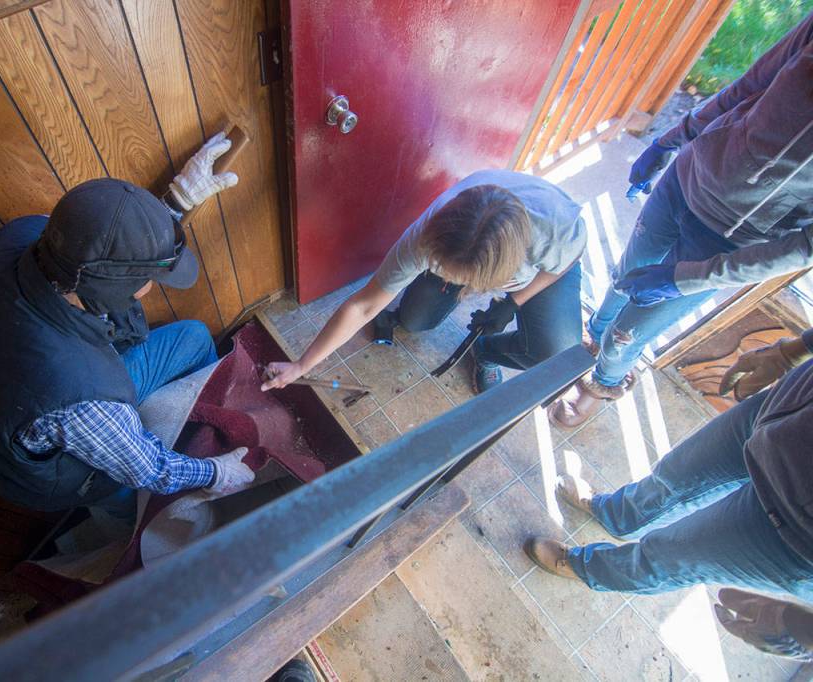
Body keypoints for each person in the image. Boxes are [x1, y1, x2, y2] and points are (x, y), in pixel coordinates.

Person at [0, 133, 253, 518]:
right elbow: (152, 470)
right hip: (57, 467)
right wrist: (216, 471)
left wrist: (176, 203)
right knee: (129, 497)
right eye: (147, 282)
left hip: (33, 378)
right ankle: (124, 525)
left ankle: (193, 424)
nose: (150, 289)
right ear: (112, 293)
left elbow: (102, 245)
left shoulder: (26, 235)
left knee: (195, 337)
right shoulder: (83, 400)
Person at [549, 11, 813, 428]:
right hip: (684, 181)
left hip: (731, 241)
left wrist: (686, 279)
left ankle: (601, 382)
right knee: (627, 272)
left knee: (629, 334)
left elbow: (806, 248)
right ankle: (592, 338)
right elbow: (752, 84)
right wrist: (670, 141)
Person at [525, 330, 813, 602]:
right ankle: (617, 514)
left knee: (674, 556)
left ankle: (586, 567)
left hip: (796, 530)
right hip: (786, 408)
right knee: (676, 474)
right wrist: (793, 350)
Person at [262, 170, 586, 394]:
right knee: (414, 322)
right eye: (446, 271)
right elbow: (363, 307)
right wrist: (301, 365)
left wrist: (514, 302)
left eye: (460, 281)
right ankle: (434, 294)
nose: (454, 284)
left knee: (555, 351)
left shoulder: (556, 229)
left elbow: (562, 265)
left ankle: (487, 352)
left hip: (538, 271)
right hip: (477, 257)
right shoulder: (426, 237)